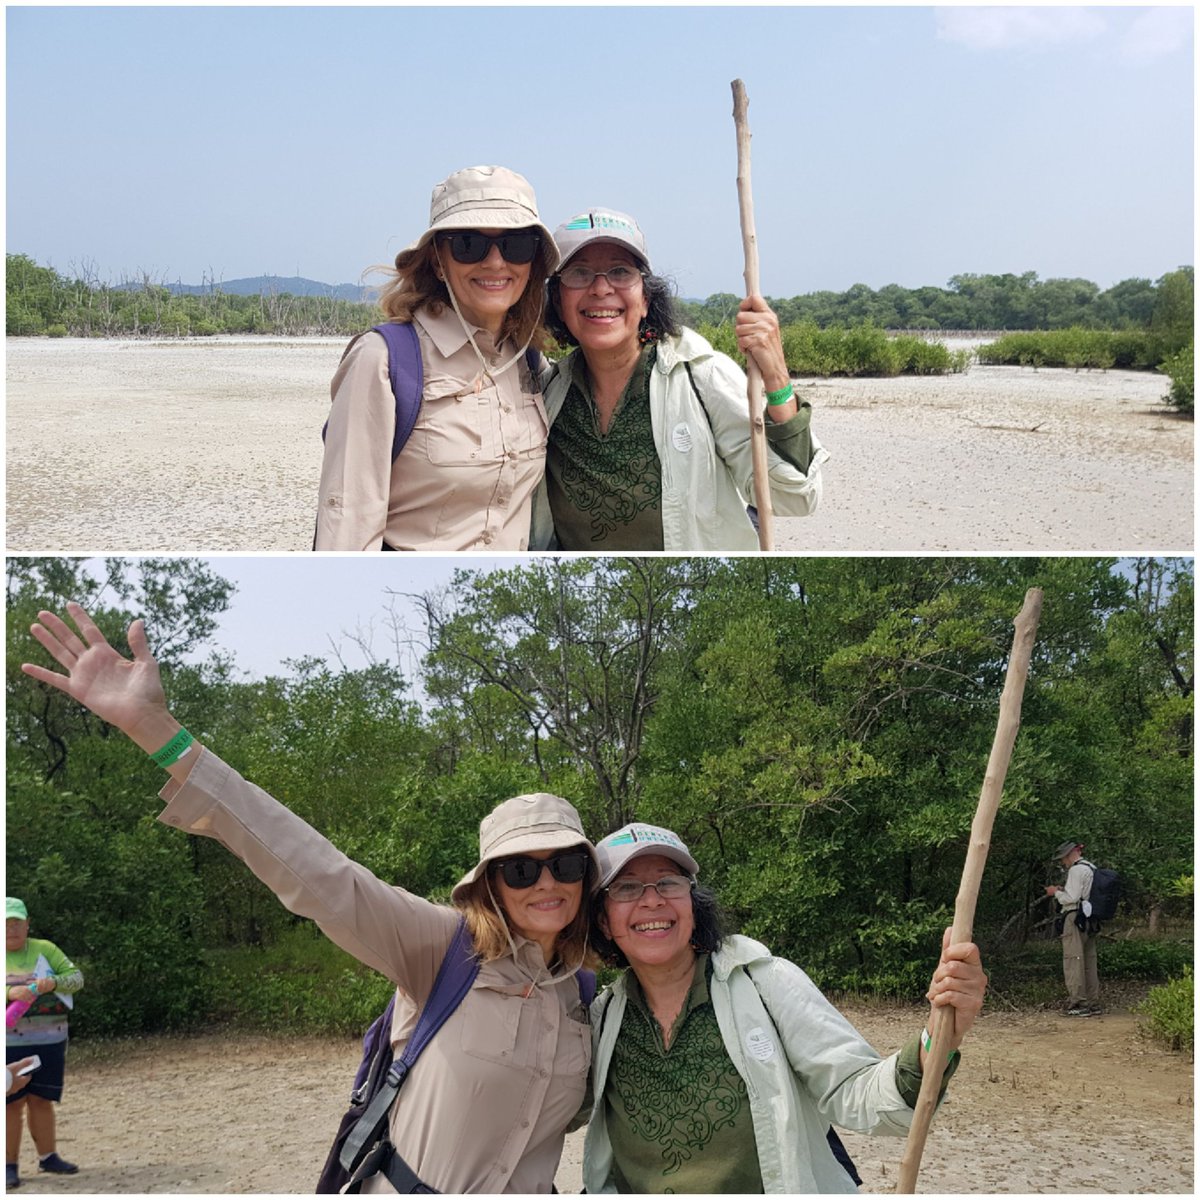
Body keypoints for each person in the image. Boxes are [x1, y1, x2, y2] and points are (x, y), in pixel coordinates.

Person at [21, 603, 599, 1194]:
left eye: (567, 863)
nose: (547, 881)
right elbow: (320, 874)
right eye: (522, 868)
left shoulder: (585, 997)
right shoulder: (441, 947)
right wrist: (158, 733)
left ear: (587, 878)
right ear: (490, 884)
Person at [582, 823, 988, 1194]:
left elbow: (856, 1090)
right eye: (627, 888)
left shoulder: (765, 982)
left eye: (669, 882)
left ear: (692, 903)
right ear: (603, 921)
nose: (652, 901)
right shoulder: (602, 1020)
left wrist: (941, 1032)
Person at [530, 208, 828, 550]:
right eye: (579, 273)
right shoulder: (548, 392)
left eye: (620, 272)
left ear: (645, 298)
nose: (600, 288)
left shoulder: (704, 376)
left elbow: (796, 496)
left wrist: (776, 376)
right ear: (557, 299)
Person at [315, 164, 559, 551]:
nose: (496, 262)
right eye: (468, 244)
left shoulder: (527, 362)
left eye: (516, 245)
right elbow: (346, 523)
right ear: (438, 262)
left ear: (532, 263)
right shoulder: (382, 361)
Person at [6, 897, 85, 1189]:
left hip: (50, 1040)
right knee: (10, 1104)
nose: (11, 928)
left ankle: (48, 1156)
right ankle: (8, 1165)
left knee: (42, 1099)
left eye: (16, 922)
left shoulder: (46, 949)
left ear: (27, 924)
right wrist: (9, 994)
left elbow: (76, 979)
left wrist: (54, 983)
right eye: (6, 923)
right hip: (7, 1044)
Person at [1045, 840, 1101, 1017]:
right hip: (1090, 919)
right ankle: (1093, 1001)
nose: (1063, 862)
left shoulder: (1076, 870)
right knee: (1089, 960)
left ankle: (1079, 1002)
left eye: (1063, 858)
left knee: (1073, 959)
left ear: (1070, 855)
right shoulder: (1091, 868)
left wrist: (1056, 892)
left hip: (1075, 917)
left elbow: (1071, 898)